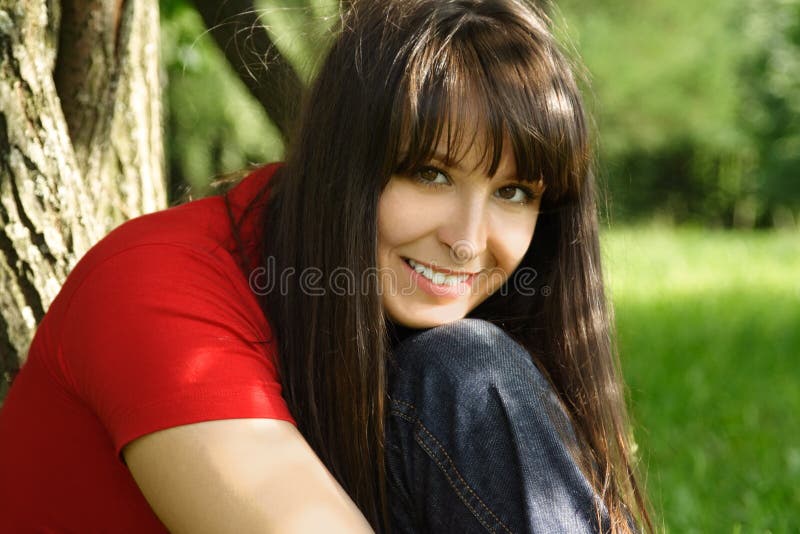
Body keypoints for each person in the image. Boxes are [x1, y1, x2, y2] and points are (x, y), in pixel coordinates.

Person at [0, 0, 652, 532]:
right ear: (345, 163)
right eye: (429, 173)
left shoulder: (413, 334)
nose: (467, 240)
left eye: (514, 192)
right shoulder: (156, 289)